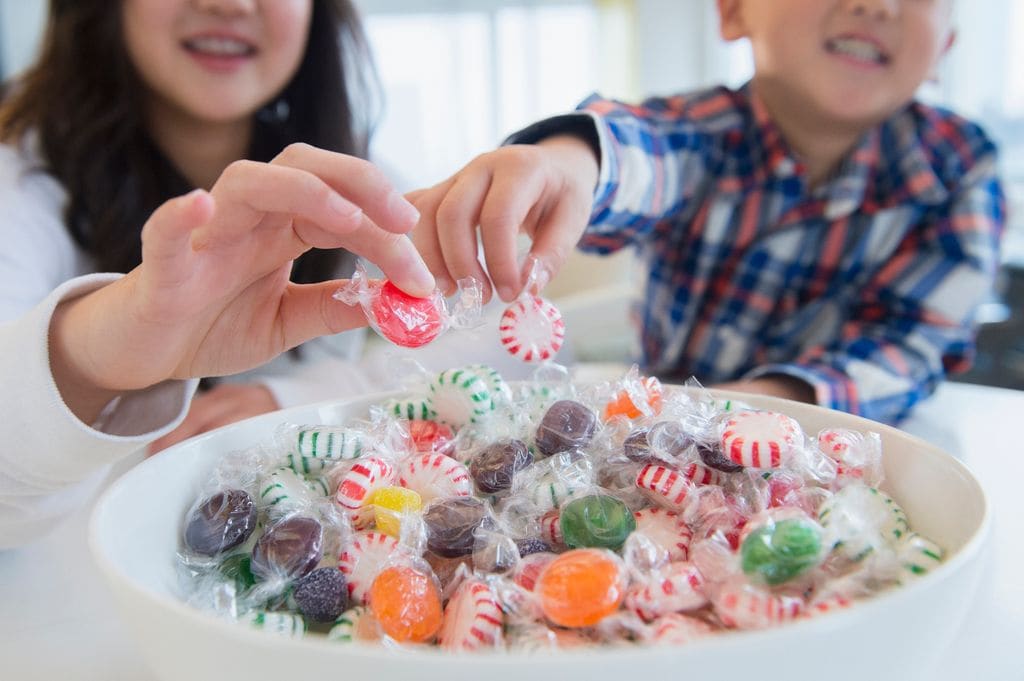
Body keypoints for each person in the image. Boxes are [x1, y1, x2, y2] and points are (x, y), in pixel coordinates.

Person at [410, 0, 1006, 426]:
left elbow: (909, 347)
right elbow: (648, 149)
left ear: (944, 49)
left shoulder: (961, 166)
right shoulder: (706, 131)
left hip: (854, 446)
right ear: (732, 11)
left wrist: (749, 405)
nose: (876, 6)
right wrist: (570, 163)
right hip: (658, 437)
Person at [0, 0, 434, 548]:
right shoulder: (16, 186)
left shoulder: (352, 183)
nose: (227, 4)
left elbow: (493, 348)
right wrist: (90, 357)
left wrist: (295, 394)